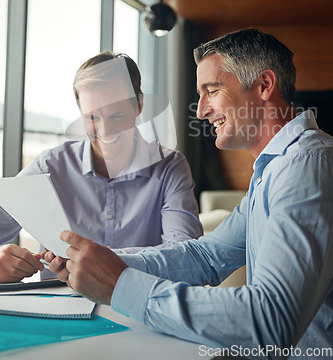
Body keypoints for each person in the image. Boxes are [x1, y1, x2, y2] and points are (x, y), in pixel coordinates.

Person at [46, 29, 333, 357]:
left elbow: (271, 320)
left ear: (264, 85)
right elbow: (206, 256)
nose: (200, 111)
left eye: (211, 91)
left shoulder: (306, 165)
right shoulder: (274, 169)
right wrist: (107, 263)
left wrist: (119, 285)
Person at [0, 52, 202, 282]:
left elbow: (187, 258)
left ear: (138, 105)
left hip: (138, 309)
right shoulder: (50, 166)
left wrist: (95, 260)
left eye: (116, 115)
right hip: (60, 309)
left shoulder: (169, 168)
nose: (105, 131)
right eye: (92, 117)